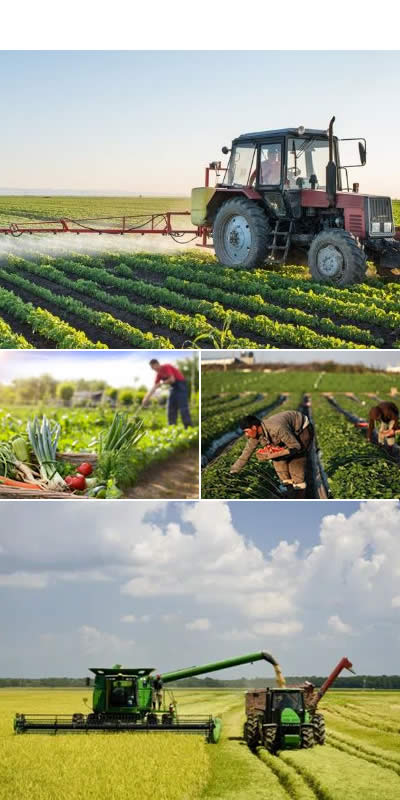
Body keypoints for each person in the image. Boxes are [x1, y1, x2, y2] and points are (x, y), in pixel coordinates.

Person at [229, 410, 314, 498]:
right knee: (279, 464)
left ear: (254, 427)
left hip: (301, 429)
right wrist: (234, 471)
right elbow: (246, 453)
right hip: (286, 432)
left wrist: (279, 453)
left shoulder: (276, 428)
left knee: (295, 464)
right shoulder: (255, 436)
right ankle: (291, 493)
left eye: (246, 431)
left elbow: (296, 446)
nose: (246, 435)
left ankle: (300, 496)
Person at [141, 359, 193, 428]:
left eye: (153, 367)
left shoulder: (166, 367)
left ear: (157, 364)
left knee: (183, 408)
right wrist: (146, 398)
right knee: (170, 408)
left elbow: (172, 379)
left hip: (181, 386)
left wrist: (162, 383)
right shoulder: (158, 374)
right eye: (152, 368)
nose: (153, 369)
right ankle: (172, 428)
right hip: (173, 388)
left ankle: (188, 428)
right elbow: (154, 387)